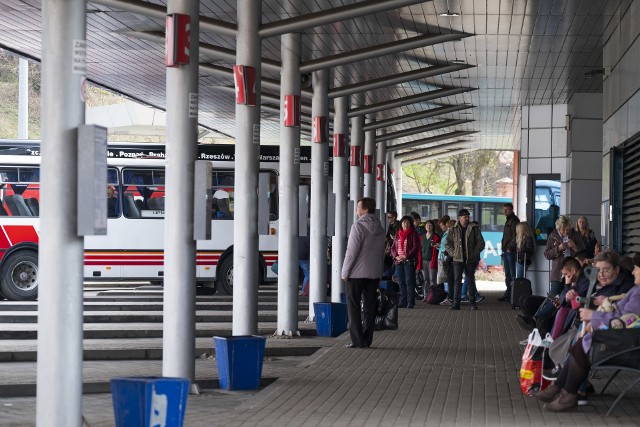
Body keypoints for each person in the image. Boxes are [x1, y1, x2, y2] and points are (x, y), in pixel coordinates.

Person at [532, 252, 640, 411]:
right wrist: (570, 292)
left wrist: (595, 316)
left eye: (637, 268)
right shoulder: (635, 290)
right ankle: (563, 391)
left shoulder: (635, 291)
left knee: (582, 343)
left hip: (626, 347)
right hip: (621, 340)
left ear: (616, 270)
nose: (633, 271)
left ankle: (567, 392)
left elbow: (627, 320)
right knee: (581, 343)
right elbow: (624, 318)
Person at [341, 197, 386, 349]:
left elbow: (351, 252)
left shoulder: (358, 226)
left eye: (358, 207)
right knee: (369, 306)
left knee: (353, 305)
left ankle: (357, 340)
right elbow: (381, 252)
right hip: (373, 273)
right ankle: (367, 339)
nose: (356, 211)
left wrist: (345, 271)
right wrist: (379, 272)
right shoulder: (380, 227)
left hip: (356, 273)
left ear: (365, 209)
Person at [445, 209, 485, 310]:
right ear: (459, 218)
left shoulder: (474, 228)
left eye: (468, 216)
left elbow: (481, 243)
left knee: (470, 280)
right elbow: (447, 243)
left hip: (470, 259)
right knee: (457, 281)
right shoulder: (453, 229)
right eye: (465, 217)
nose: (467, 218)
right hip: (458, 260)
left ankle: (472, 303)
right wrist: (454, 253)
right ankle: (456, 303)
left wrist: (474, 253)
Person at [544, 215, 585, 297]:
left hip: (573, 272)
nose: (566, 232)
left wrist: (574, 246)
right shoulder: (552, 236)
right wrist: (558, 249)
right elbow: (547, 254)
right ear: (559, 228)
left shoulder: (576, 235)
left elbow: (584, 252)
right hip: (557, 273)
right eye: (563, 230)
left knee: (570, 297)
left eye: (568, 230)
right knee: (554, 298)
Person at [390, 215, 420, 309]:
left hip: (409, 261)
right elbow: (393, 248)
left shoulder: (413, 233)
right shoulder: (397, 234)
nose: (405, 224)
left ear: (410, 224)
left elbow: (415, 247)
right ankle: (403, 301)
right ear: (401, 224)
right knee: (401, 281)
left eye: (407, 222)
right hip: (398, 261)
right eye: (403, 222)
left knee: (409, 281)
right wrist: (396, 257)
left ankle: (410, 302)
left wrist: (406, 256)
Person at [499, 202, 520, 302]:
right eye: (504, 209)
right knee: (507, 274)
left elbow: (516, 236)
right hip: (506, 251)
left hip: (510, 251)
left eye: (506, 209)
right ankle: (508, 294)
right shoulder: (509, 220)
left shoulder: (514, 220)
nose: (504, 211)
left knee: (511, 274)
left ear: (511, 209)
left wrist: (510, 248)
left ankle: (511, 295)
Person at [419, 219, 440, 300]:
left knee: (432, 279)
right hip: (423, 260)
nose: (428, 226)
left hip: (432, 260)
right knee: (425, 279)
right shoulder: (421, 237)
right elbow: (419, 249)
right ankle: (426, 296)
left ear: (433, 227)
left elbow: (438, 248)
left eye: (430, 225)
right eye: (427, 225)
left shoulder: (436, 237)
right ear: (425, 227)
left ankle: (433, 296)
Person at [437, 219, 456, 304]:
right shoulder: (450, 234)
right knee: (449, 279)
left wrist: (448, 254)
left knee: (450, 279)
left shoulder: (452, 235)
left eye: (449, 227)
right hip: (447, 258)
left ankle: (451, 298)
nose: (447, 229)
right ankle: (450, 297)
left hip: (451, 259)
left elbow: (451, 247)